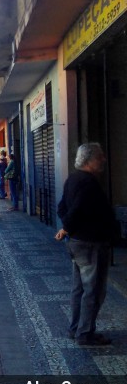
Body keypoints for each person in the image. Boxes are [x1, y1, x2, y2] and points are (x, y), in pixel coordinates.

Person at [55, 143, 118, 346]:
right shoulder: (88, 182)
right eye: (100, 156)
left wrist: (69, 230)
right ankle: (85, 333)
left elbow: (62, 207)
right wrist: (67, 227)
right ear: (90, 159)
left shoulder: (73, 179)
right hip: (91, 244)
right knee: (93, 290)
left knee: (79, 289)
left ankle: (76, 329)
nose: (103, 160)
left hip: (78, 242)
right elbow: (76, 210)